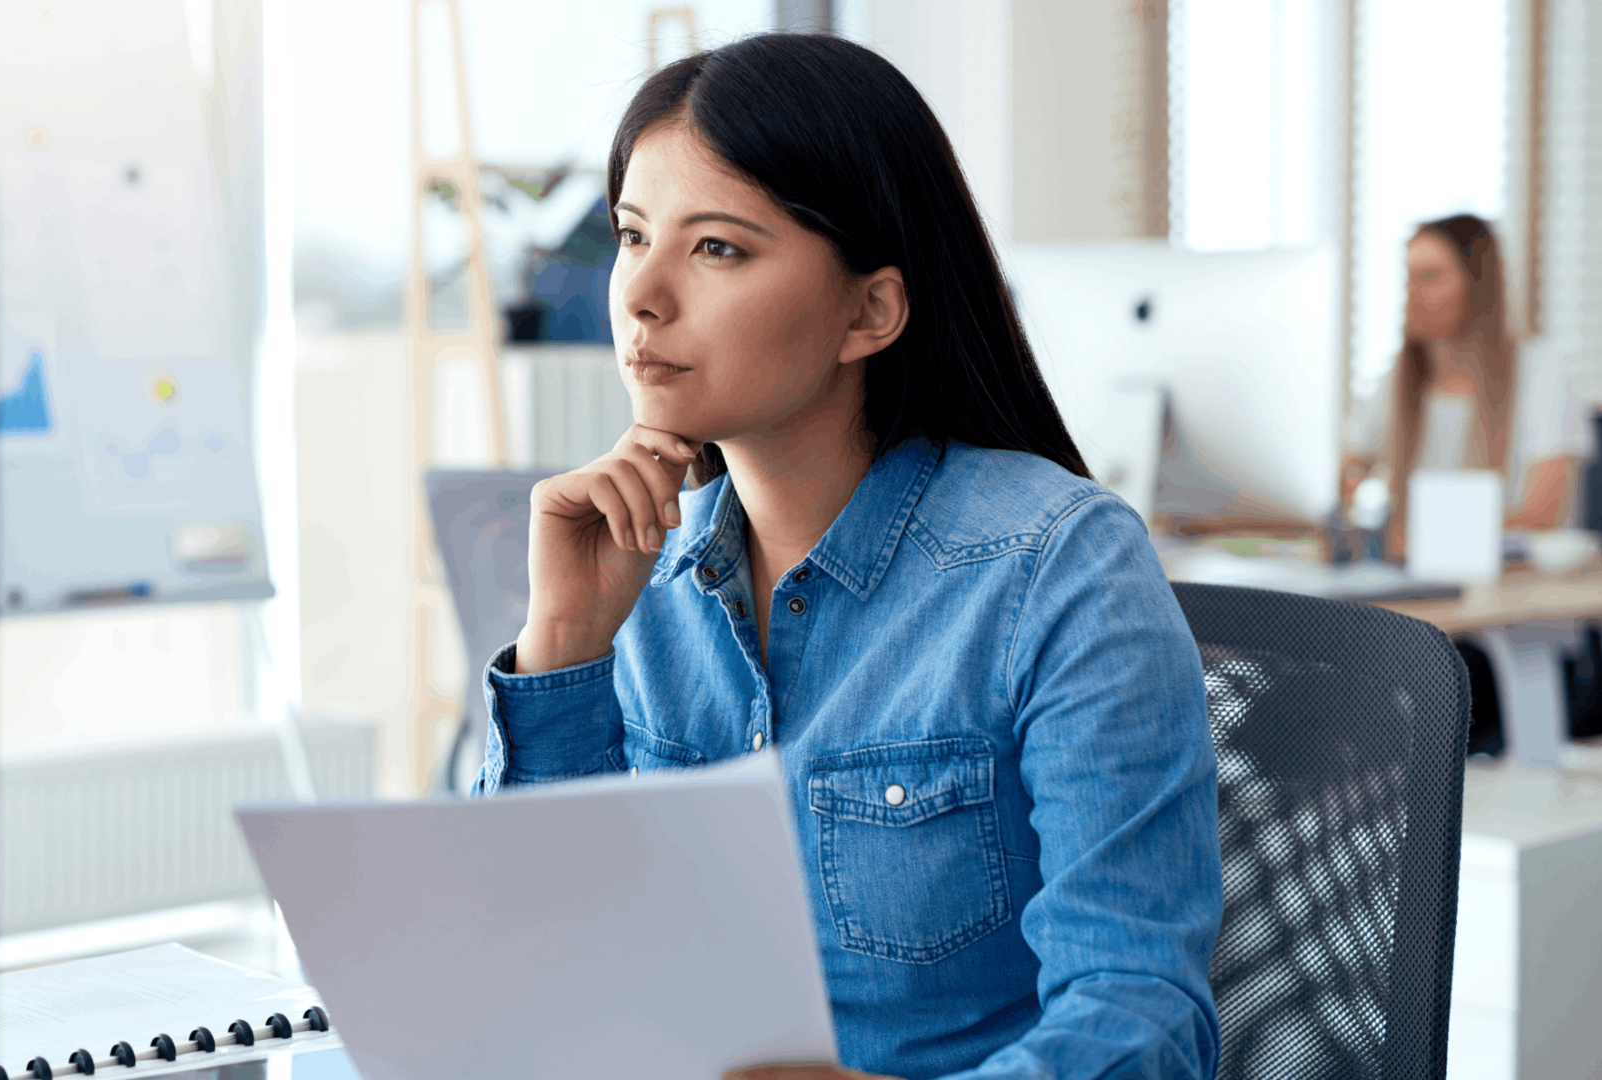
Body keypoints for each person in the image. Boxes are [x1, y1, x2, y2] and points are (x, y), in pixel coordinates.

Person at [472, 34, 1222, 1080]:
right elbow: (521, 985)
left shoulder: (1060, 567)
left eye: (717, 248)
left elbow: (1143, 1023)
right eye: (634, 236)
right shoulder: (635, 575)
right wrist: (563, 644)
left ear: (869, 311)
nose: (640, 295)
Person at [1345, 214, 1594, 552]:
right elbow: (1352, 462)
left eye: (1430, 277)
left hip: (1514, 583)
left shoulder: (1541, 373)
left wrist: (1428, 534)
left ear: (1476, 284)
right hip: (1420, 578)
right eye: (1408, 277)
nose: (1411, 294)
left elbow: (1541, 516)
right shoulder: (1398, 379)